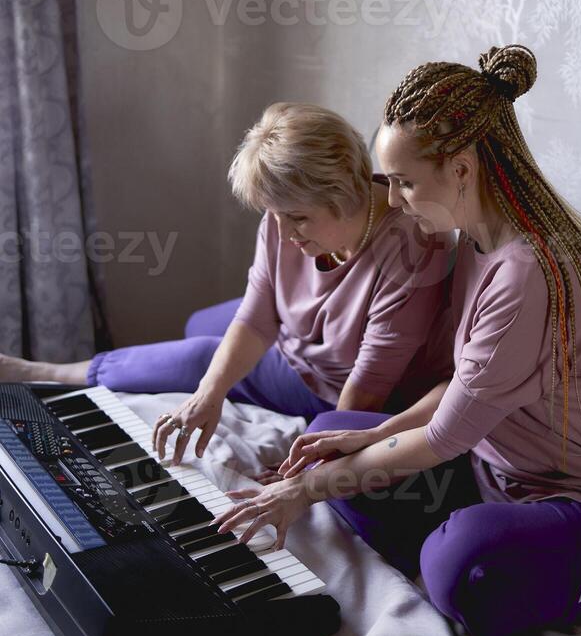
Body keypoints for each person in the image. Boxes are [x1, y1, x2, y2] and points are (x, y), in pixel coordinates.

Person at [214, 44, 581, 636]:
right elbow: (464, 386)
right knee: (337, 431)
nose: (392, 200)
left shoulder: (528, 273)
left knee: (458, 564)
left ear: (463, 169)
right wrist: (380, 433)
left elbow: (445, 437)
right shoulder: (477, 244)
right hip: (493, 467)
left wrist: (301, 493)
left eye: (404, 182)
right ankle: (472, 546)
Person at [0, 102, 454, 471]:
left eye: (297, 217)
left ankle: (54, 374)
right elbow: (257, 318)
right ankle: (50, 372)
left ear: (344, 195)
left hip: (347, 386)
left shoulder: (413, 245)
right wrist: (209, 394)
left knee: (201, 352)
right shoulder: (283, 218)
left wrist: (313, 462)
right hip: (305, 350)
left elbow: (367, 388)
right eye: (272, 213)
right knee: (204, 344)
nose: (281, 230)